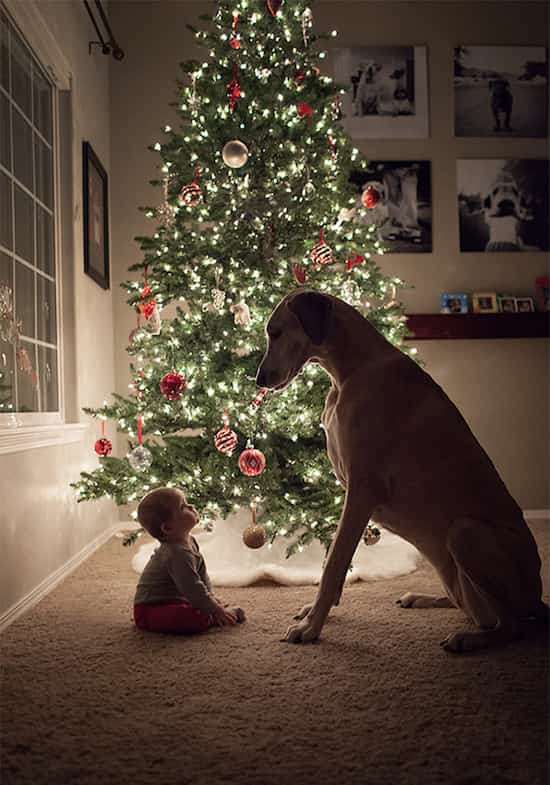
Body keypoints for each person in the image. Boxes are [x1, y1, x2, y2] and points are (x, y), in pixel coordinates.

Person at [133, 487, 246, 634]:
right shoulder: (176, 553)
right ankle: (215, 618)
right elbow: (192, 586)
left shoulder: (190, 541)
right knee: (192, 617)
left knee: (201, 605)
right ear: (168, 527)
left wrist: (211, 598)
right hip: (150, 610)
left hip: (175, 600)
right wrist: (215, 610)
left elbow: (201, 574)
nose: (191, 507)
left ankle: (209, 611)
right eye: (183, 507)